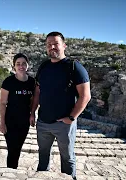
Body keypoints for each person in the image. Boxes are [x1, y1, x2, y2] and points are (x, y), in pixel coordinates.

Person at [29, 31, 91, 179]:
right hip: (43, 122)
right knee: (43, 156)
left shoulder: (75, 67)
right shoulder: (43, 67)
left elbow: (85, 96)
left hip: (64, 124)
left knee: (67, 158)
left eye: (56, 43)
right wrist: (32, 112)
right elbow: (37, 92)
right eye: (49, 44)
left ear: (64, 45)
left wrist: (71, 118)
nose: (52, 47)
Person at [0, 53, 36, 169]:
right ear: (14, 66)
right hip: (10, 121)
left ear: (28, 65)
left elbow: (32, 101)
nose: (21, 66)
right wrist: (2, 122)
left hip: (24, 122)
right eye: (18, 64)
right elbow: (3, 103)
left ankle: (12, 169)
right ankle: (11, 170)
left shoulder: (32, 82)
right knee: (12, 148)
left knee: (18, 147)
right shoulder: (8, 81)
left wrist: (32, 114)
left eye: (24, 63)